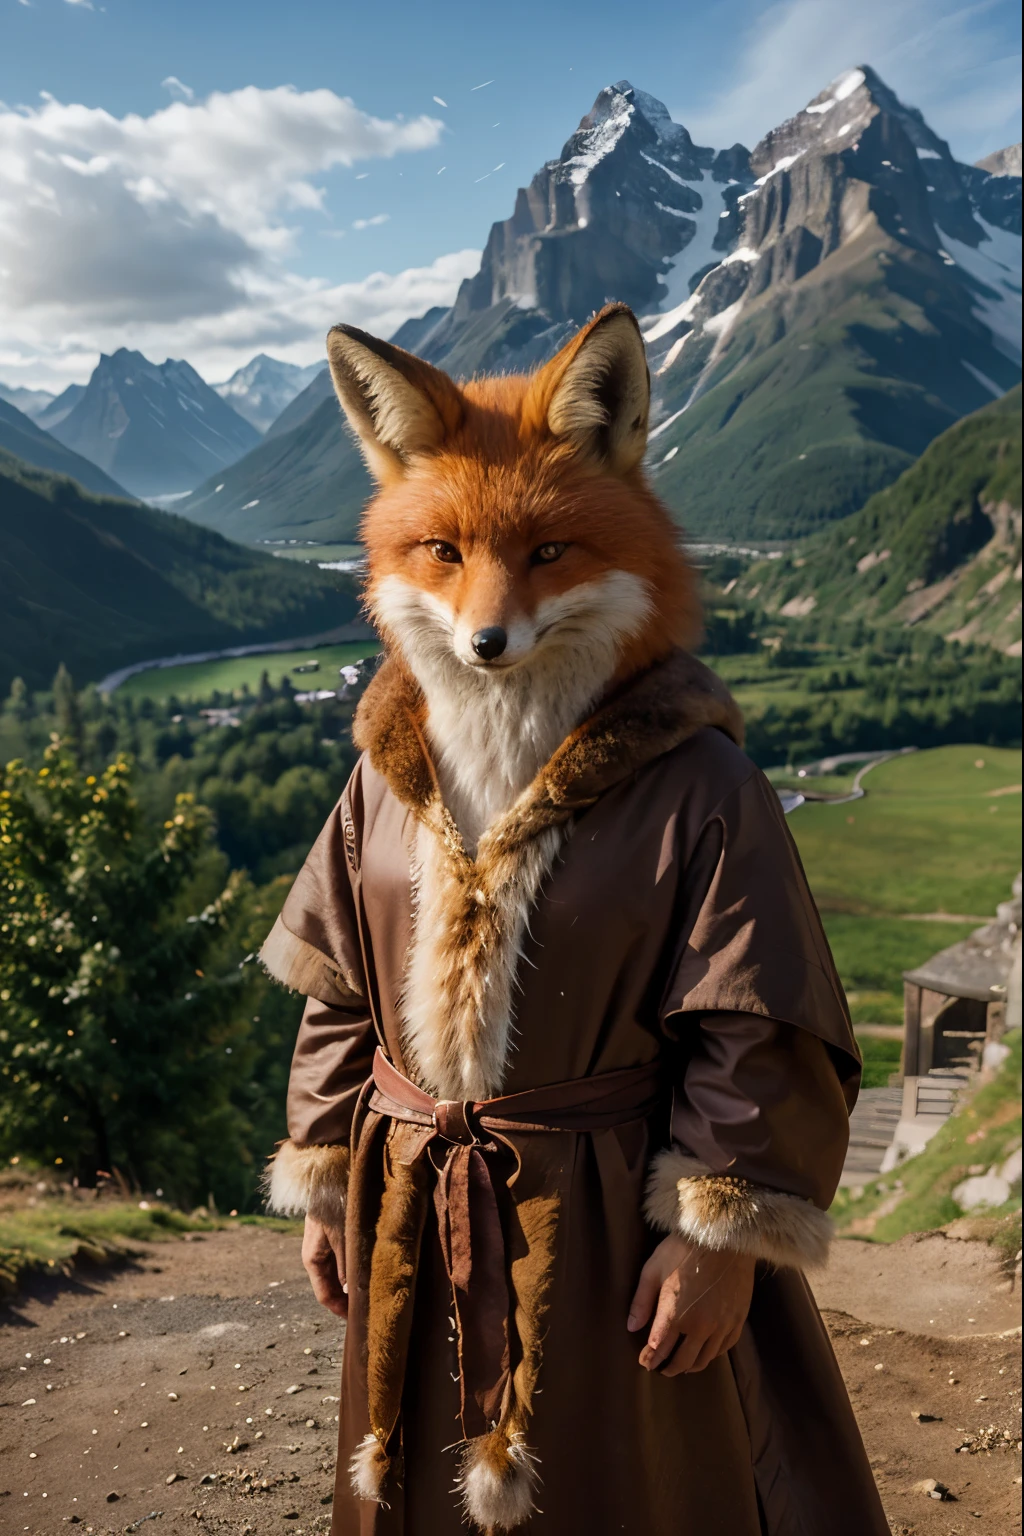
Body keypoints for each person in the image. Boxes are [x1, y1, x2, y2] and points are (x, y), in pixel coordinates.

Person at [261, 304, 890, 1534]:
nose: (488, 613)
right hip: (415, 1207)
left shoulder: (698, 784)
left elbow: (758, 1023)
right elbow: (341, 982)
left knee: (621, 1483)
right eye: (442, 552)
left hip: (601, 1227)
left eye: (546, 553)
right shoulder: (386, 774)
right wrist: (332, 1170)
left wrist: (720, 1237)